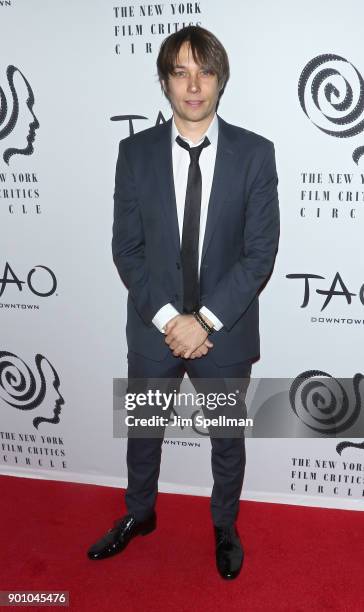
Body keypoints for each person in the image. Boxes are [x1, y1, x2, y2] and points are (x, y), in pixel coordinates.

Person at [87, 25, 280, 580]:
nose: (193, 85)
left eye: (205, 71)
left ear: (221, 79)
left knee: (227, 439)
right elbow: (128, 249)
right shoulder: (135, 153)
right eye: (180, 71)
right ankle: (138, 514)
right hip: (155, 328)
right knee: (144, 434)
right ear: (166, 81)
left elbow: (260, 253)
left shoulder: (255, 154)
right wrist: (174, 320)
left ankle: (224, 524)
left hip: (227, 330)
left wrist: (207, 321)